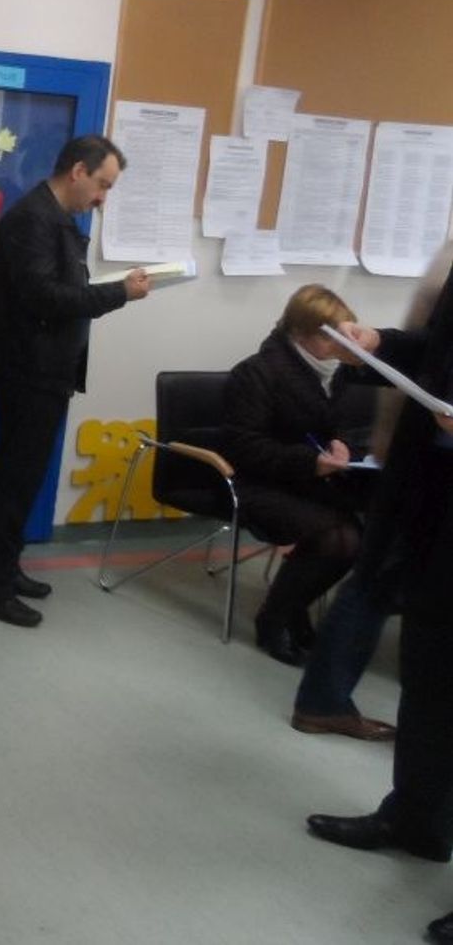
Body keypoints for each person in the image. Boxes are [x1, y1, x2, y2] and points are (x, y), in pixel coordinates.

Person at [303, 271, 453, 943]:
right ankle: (416, 819)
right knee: (430, 669)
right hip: (435, 497)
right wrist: (381, 343)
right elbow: (439, 349)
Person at [0, 134, 150, 627]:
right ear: (78, 171)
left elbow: (59, 290)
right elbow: (45, 297)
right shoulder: (33, 219)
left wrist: (111, 291)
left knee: (24, 477)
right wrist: (119, 293)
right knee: (14, 478)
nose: (103, 198)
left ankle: (6, 568)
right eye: (103, 184)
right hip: (27, 368)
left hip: (44, 368)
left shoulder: (54, 217)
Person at [289, 244, 453, 741]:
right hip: (427, 461)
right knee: (379, 578)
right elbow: (436, 347)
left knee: (388, 584)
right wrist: (378, 341)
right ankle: (325, 702)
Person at [221, 285, 379, 672]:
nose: (341, 346)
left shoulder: (336, 374)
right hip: (256, 482)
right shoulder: (257, 373)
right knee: (338, 538)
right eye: (330, 338)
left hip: (307, 481)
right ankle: (274, 619)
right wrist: (310, 462)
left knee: (360, 535)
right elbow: (245, 448)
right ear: (300, 333)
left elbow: (334, 426)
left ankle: (291, 608)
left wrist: (341, 446)